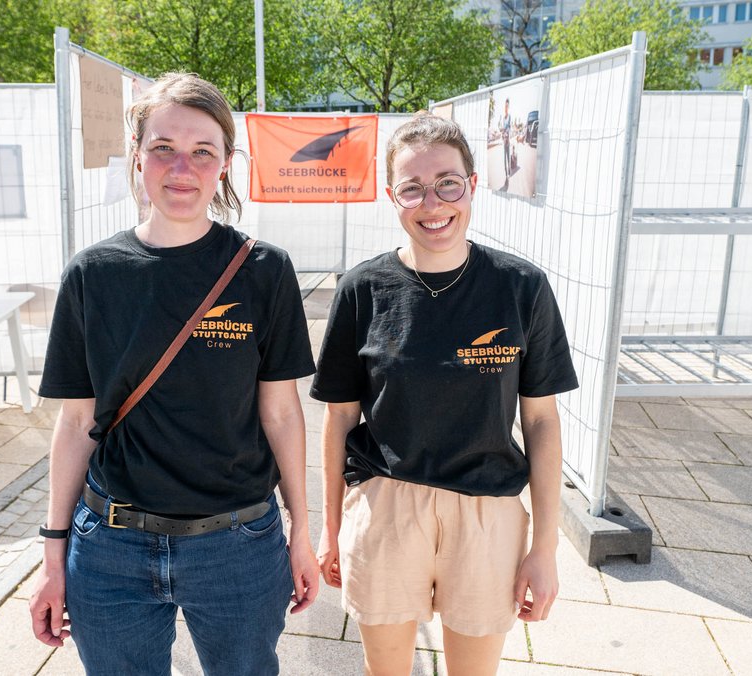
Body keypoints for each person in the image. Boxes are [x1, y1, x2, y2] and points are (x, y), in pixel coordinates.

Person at [29, 72, 320, 676]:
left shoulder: (264, 270)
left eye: (202, 151)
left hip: (236, 544)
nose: (180, 167)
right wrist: (53, 555)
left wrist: (302, 531)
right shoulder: (94, 273)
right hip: (111, 547)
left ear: (225, 165)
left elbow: (282, 413)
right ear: (138, 158)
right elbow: (76, 422)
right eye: (163, 148)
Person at [311, 113, 578, 676]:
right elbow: (338, 422)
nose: (433, 204)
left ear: (472, 186)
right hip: (386, 508)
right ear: (392, 196)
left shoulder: (521, 288)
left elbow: (542, 424)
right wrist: (330, 529)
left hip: (487, 515)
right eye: (413, 188)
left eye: (447, 183)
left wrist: (545, 549)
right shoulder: (363, 290)